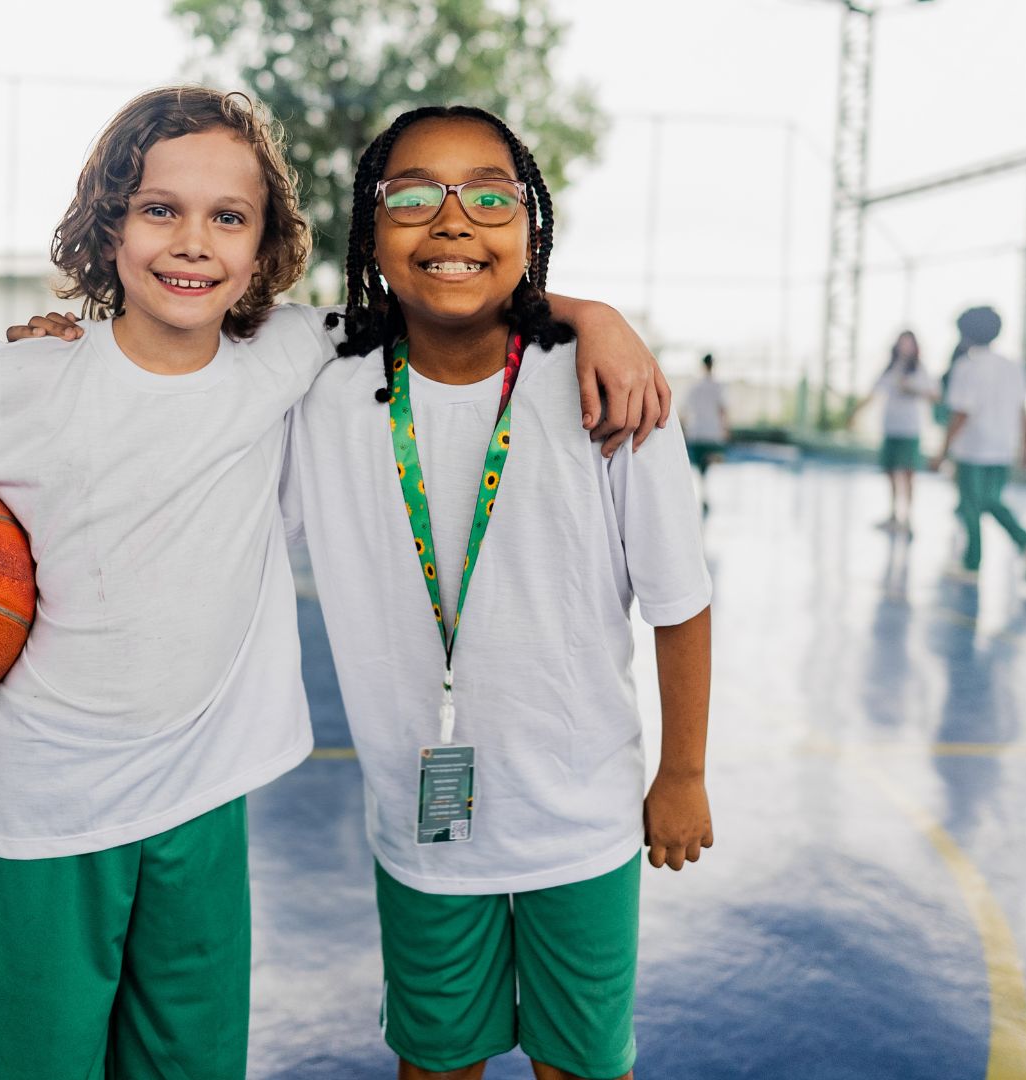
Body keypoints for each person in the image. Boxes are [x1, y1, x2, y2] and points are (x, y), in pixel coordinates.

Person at [0, 86, 668, 1080]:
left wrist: (594, 315)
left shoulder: (290, 355)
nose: (194, 243)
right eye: (161, 209)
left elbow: (456, 297)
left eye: (229, 218)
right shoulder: (23, 378)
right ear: (109, 224)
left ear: (268, 249)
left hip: (206, 808)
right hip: (51, 815)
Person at [290, 106, 713, 1080]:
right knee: (437, 1062)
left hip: (583, 817)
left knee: (584, 1066)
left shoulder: (608, 389)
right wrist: (70, 334)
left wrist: (682, 772)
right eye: (411, 196)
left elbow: (678, 599)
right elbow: (195, 329)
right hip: (421, 820)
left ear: (531, 225)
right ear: (369, 229)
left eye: (489, 195)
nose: (451, 221)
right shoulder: (324, 385)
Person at [929, 306, 1026, 582]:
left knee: (971, 504)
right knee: (990, 500)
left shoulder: (967, 367)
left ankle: (973, 563)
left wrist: (942, 450)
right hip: (1002, 447)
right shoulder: (1011, 367)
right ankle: (1025, 544)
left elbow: (961, 414)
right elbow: (1022, 409)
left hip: (973, 448)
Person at [846, 330, 936, 534]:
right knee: (890, 473)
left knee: (907, 473)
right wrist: (855, 414)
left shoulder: (919, 371)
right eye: (901, 343)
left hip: (910, 430)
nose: (905, 347)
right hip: (891, 428)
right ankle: (894, 514)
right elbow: (874, 392)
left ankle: (909, 518)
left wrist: (912, 389)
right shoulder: (890, 370)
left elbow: (934, 395)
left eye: (908, 343)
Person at [682, 351, 731, 468]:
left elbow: (685, 411)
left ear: (703, 366)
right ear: (713, 365)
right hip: (712, 433)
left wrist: (684, 430)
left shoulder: (694, 386)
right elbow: (722, 410)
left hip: (697, 432)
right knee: (713, 465)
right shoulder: (718, 386)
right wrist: (726, 429)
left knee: (700, 468)